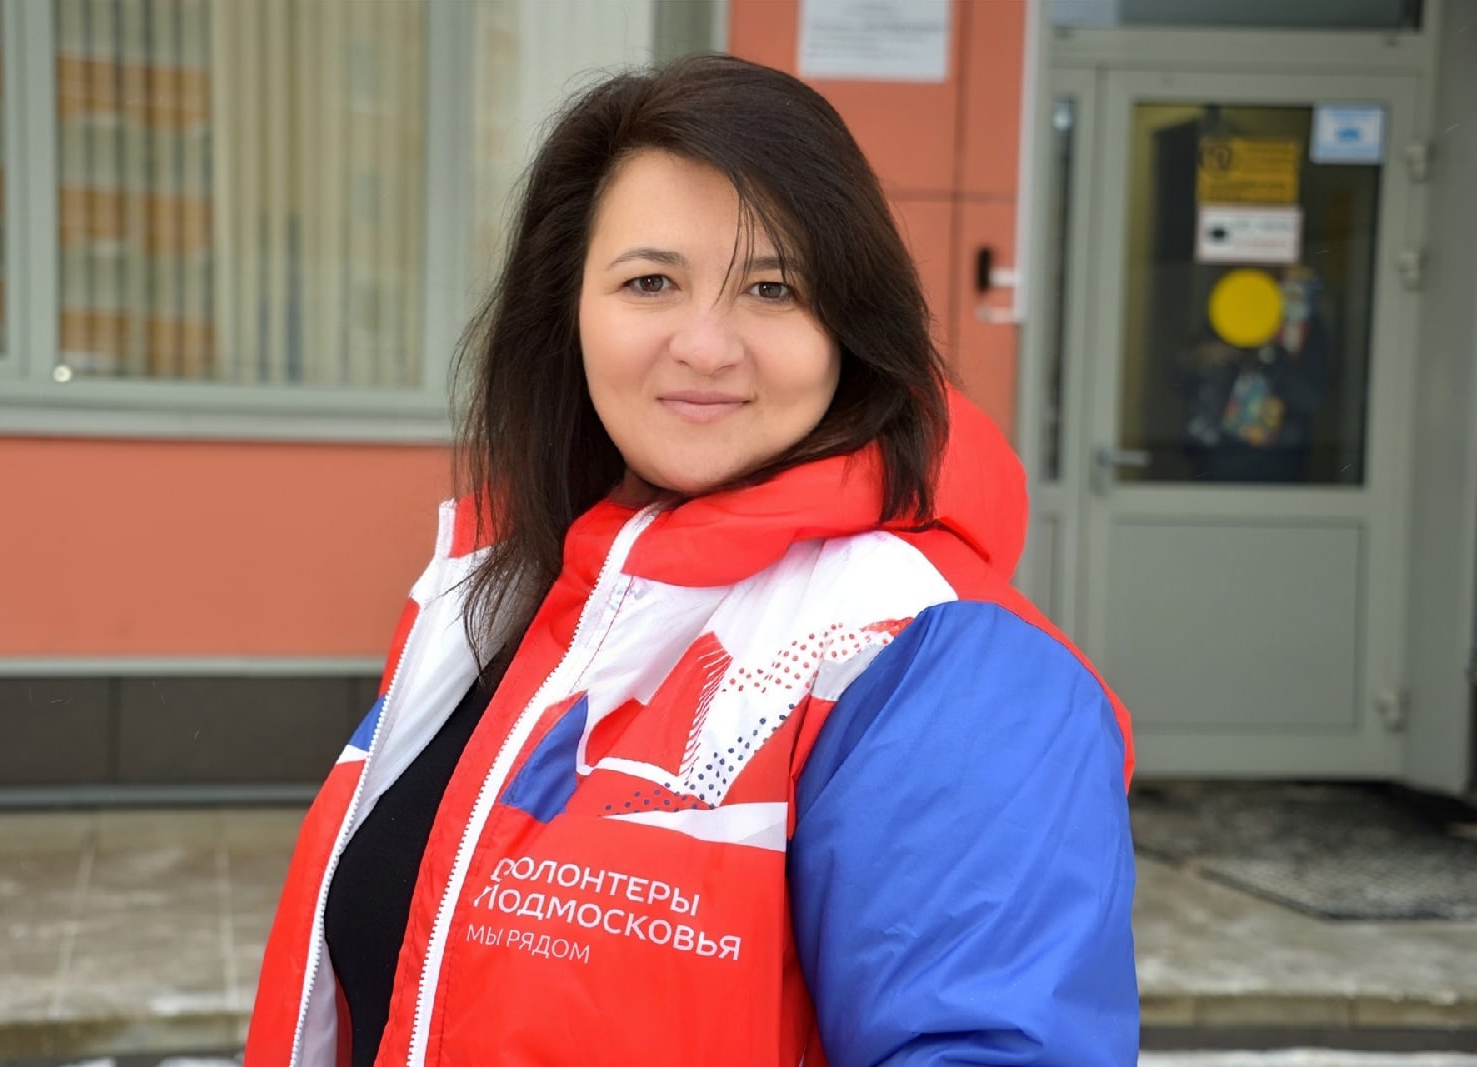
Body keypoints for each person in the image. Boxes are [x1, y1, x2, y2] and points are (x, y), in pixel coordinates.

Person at [248, 54, 1138, 1067]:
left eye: (772, 287)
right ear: (567, 310)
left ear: (848, 327)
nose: (706, 345)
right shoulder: (496, 596)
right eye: (650, 282)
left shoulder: (937, 655)